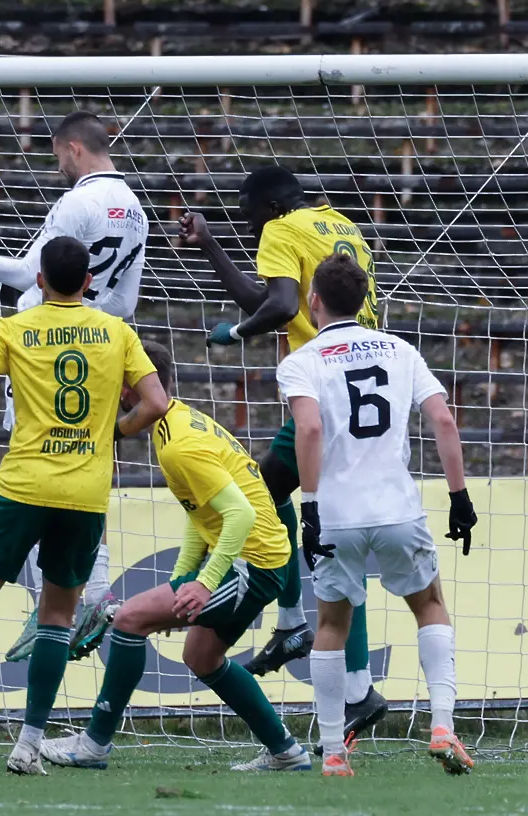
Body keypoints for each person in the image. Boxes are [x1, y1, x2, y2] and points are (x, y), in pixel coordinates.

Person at [0, 236, 169, 776]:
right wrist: (114, 432)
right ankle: (29, 746)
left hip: (23, 486)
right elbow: (157, 403)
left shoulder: (13, 329)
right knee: (57, 618)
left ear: (39, 280)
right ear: (89, 283)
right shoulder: (117, 332)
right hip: (84, 495)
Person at [0, 111, 148, 662]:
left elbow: (31, 275)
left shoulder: (78, 202)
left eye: (57, 156)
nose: (58, 166)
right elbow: (125, 301)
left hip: (45, 350)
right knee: (76, 482)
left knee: (30, 480)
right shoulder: (137, 211)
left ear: (72, 148)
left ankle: (82, 603)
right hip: (99, 352)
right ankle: (81, 602)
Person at [179, 164, 387, 744]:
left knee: (283, 509)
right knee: (285, 506)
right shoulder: (340, 225)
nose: (248, 226)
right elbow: (271, 297)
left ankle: (335, 668)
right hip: (355, 388)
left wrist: (236, 334)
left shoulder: (279, 229)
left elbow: (275, 306)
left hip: (324, 398)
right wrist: (212, 246)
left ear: (267, 206)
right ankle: (330, 661)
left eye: (245, 214)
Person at [40, 340, 311, 773]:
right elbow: (200, 511)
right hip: (261, 557)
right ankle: (287, 753)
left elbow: (238, 516)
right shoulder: (180, 422)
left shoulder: (179, 443)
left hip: (252, 564)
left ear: (132, 389)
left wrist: (202, 584)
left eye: (118, 385)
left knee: (129, 619)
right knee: (201, 658)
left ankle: (94, 744)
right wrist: (183, 577)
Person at [275, 254, 477, 776]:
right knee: (430, 605)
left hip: (337, 512)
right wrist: (459, 497)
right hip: (396, 509)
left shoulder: (302, 359)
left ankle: (334, 752)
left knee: (330, 625)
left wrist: (311, 507)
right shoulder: (402, 350)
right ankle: (442, 729)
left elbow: (311, 431)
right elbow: (443, 420)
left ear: (313, 301)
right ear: (365, 300)